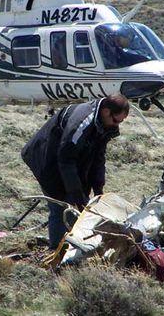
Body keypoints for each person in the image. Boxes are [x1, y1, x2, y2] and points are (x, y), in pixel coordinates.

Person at [21, 93, 130, 249]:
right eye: (115, 120)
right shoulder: (82, 123)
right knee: (61, 204)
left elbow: (98, 156)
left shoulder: (105, 123)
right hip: (46, 156)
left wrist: (98, 188)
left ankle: (73, 245)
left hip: (70, 159)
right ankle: (57, 253)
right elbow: (65, 159)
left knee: (79, 203)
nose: (116, 125)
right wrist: (76, 195)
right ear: (106, 112)